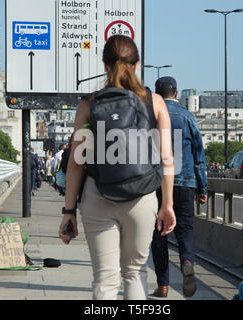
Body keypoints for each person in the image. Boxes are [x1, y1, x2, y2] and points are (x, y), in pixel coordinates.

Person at [59, 34, 176, 300]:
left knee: (104, 279)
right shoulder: (155, 102)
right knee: (135, 273)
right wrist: (167, 204)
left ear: (104, 65)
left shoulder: (89, 104)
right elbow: (167, 158)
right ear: (136, 65)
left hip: (97, 196)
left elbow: (76, 163)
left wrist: (68, 212)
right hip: (142, 198)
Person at [151, 76, 208, 298]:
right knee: (185, 228)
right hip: (184, 181)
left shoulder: (152, 113)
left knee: (159, 234)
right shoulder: (188, 117)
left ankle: (163, 285)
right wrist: (202, 189)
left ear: (156, 94)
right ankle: (187, 261)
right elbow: (199, 156)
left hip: (157, 181)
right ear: (176, 94)